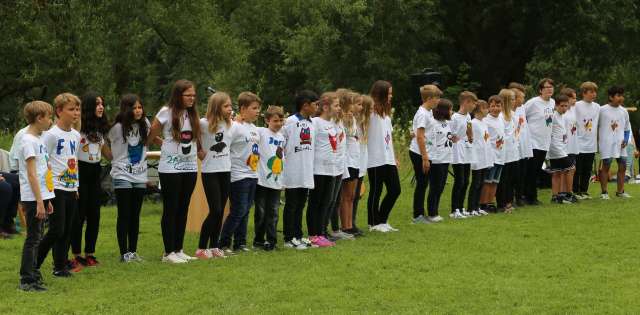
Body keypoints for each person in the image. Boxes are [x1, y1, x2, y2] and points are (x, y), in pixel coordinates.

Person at [148, 79, 201, 263]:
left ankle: (178, 249)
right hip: (170, 167)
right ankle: (168, 252)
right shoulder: (166, 112)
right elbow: (151, 135)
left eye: (194, 95)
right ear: (178, 95)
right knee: (171, 208)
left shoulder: (192, 113)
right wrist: (164, 144)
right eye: (188, 95)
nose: (192, 98)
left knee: (183, 207)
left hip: (190, 166)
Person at [37, 93, 81, 277]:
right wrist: (45, 191)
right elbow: (42, 161)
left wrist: (76, 186)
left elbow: (73, 160)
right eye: (71, 109)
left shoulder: (76, 135)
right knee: (56, 229)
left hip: (71, 187)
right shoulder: (50, 135)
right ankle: (33, 263)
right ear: (59, 111)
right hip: (55, 187)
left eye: (78, 109)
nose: (76, 113)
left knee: (67, 230)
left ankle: (60, 266)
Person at [18, 101, 55, 291]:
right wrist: (40, 202)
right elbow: (31, 174)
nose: (51, 121)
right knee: (33, 238)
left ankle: (33, 274)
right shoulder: (28, 141)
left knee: (38, 236)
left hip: (41, 196)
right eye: (49, 117)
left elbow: (43, 171)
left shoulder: (39, 139)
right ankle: (27, 279)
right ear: (39, 118)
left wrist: (47, 199)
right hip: (33, 198)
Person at [107, 94, 149, 262]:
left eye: (140, 107)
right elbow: (102, 141)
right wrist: (112, 159)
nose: (138, 111)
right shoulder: (117, 128)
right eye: (134, 108)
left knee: (135, 215)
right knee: (124, 214)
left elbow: (151, 138)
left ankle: (133, 251)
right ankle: (124, 253)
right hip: (122, 174)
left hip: (140, 175)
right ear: (126, 109)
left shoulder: (145, 124)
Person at [219, 92, 262, 254]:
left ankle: (240, 243)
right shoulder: (234, 126)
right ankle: (223, 243)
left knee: (245, 211)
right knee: (238, 210)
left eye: (259, 108)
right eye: (254, 108)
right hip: (238, 175)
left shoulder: (255, 129)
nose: (257, 111)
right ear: (243, 109)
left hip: (252, 175)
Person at [70, 92, 110, 267]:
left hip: (95, 172)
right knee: (79, 216)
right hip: (79, 171)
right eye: (97, 104)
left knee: (95, 214)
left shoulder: (99, 129)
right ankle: (77, 254)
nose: (101, 107)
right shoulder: (77, 127)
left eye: (102, 104)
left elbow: (107, 153)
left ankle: (90, 253)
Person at [194, 92, 233, 259]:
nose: (230, 109)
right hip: (210, 172)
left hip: (226, 171)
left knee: (221, 211)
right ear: (217, 107)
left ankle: (214, 246)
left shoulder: (231, 124)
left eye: (231, 106)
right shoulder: (203, 123)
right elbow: (191, 134)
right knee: (215, 210)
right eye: (226, 106)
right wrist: (198, 151)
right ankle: (201, 248)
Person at [281, 90, 317, 250]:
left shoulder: (312, 123)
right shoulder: (290, 122)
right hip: (292, 170)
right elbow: (281, 144)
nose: (317, 107)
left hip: (306, 170)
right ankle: (289, 238)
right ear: (305, 105)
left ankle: (298, 235)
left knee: (301, 204)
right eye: (315, 104)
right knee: (292, 204)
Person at [307, 92, 341, 247]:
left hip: (332, 170)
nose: (339, 108)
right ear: (326, 107)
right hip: (318, 169)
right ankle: (313, 235)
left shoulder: (334, 123)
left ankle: (321, 233)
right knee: (316, 202)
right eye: (336, 105)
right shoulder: (315, 122)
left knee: (326, 203)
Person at [367, 81, 401, 232]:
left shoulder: (386, 116)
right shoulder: (370, 113)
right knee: (376, 191)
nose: (391, 96)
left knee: (395, 189)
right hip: (375, 158)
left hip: (388, 158)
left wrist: (394, 156)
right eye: (389, 93)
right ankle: (373, 223)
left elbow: (389, 138)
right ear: (381, 94)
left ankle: (382, 220)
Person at [253, 106, 286, 251]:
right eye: (275, 121)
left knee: (273, 211)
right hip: (261, 180)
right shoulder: (261, 132)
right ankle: (259, 240)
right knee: (260, 212)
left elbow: (281, 158)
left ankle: (272, 241)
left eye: (281, 120)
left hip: (276, 181)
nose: (278, 123)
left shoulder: (281, 137)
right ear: (266, 120)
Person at [409, 85, 441, 224]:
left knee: (424, 183)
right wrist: (425, 157)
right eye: (437, 97)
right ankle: (418, 215)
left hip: (426, 152)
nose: (439, 100)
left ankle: (421, 213)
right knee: (422, 184)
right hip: (419, 153)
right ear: (429, 98)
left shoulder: (428, 112)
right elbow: (420, 137)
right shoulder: (422, 113)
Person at [523, 78, 555, 205]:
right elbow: (521, 116)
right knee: (531, 170)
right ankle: (529, 197)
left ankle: (530, 196)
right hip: (533, 141)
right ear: (540, 90)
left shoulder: (552, 102)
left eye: (551, 87)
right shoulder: (533, 103)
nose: (549, 89)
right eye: (546, 87)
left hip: (544, 142)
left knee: (537, 171)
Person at [598, 86, 632, 199]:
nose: (621, 98)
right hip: (606, 144)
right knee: (606, 167)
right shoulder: (601, 110)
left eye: (622, 95)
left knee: (622, 167)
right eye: (618, 95)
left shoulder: (624, 111)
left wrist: (626, 140)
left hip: (620, 144)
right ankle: (604, 192)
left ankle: (620, 191)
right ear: (611, 97)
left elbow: (627, 128)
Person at [338, 92, 363, 237]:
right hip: (346, 159)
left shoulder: (354, 119)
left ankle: (349, 224)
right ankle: (344, 226)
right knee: (345, 195)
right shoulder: (342, 119)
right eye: (357, 104)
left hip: (354, 159)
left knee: (352, 195)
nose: (359, 107)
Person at [426, 99, 455, 221]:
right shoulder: (433, 123)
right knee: (435, 186)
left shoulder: (447, 122)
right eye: (450, 109)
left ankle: (436, 211)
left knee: (441, 186)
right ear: (444, 110)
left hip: (446, 158)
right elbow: (429, 141)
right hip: (436, 160)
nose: (452, 111)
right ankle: (432, 213)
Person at [449, 91, 477, 219]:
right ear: (466, 102)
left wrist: (470, 136)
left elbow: (468, 128)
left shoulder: (468, 116)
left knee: (466, 180)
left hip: (466, 150)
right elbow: (449, 134)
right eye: (473, 103)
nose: (474, 106)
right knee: (459, 181)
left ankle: (460, 207)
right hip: (457, 152)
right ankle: (454, 209)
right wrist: (452, 137)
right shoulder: (454, 117)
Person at [573, 81, 600, 199]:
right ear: (584, 93)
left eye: (595, 92)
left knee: (587, 169)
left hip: (591, 143)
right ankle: (575, 191)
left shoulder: (597, 107)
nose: (594, 94)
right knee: (577, 169)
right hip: (578, 142)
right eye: (591, 92)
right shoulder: (577, 105)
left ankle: (584, 190)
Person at [547, 95, 576, 203]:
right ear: (556, 106)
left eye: (566, 106)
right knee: (571, 168)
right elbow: (547, 127)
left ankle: (555, 196)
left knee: (557, 172)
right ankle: (568, 194)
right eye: (562, 106)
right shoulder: (553, 116)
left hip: (561, 146)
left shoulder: (562, 116)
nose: (564, 108)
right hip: (555, 147)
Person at [351, 95, 372, 235]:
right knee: (348, 197)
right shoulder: (351, 122)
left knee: (356, 196)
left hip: (361, 164)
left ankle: (352, 222)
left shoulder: (364, 124)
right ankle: (345, 224)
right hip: (352, 164)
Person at [480, 96, 505, 212]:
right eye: (493, 106)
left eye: (498, 106)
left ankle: (491, 202)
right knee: (487, 181)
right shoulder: (485, 120)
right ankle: (483, 203)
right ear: (489, 107)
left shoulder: (501, 118)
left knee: (495, 181)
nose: (495, 108)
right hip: (491, 155)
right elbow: (485, 138)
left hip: (500, 155)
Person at [509, 83, 532, 207]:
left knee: (522, 173)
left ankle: (519, 196)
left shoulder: (522, 108)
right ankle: (511, 197)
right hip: (515, 146)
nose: (524, 100)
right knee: (514, 174)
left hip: (524, 143)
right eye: (522, 97)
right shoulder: (510, 111)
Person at [496, 89, 519, 213]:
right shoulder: (500, 116)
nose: (514, 101)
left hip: (513, 152)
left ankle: (509, 201)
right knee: (503, 179)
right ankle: (502, 202)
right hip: (504, 152)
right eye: (512, 99)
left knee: (512, 178)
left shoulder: (513, 114)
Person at [468, 100, 491, 216]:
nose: (488, 110)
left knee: (481, 183)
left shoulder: (484, 122)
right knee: (476, 183)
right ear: (480, 109)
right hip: (477, 157)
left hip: (485, 157)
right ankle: (471, 207)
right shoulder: (473, 123)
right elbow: (471, 140)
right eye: (486, 107)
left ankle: (477, 206)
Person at [560, 87, 579, 202]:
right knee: (568, 169)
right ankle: (566, 192)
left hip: (573, 145)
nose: (575, 100)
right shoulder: (564, 112)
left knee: (570, 170)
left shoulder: (573, 110)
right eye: (573, 98)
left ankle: (566, 192)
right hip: (565, 146)